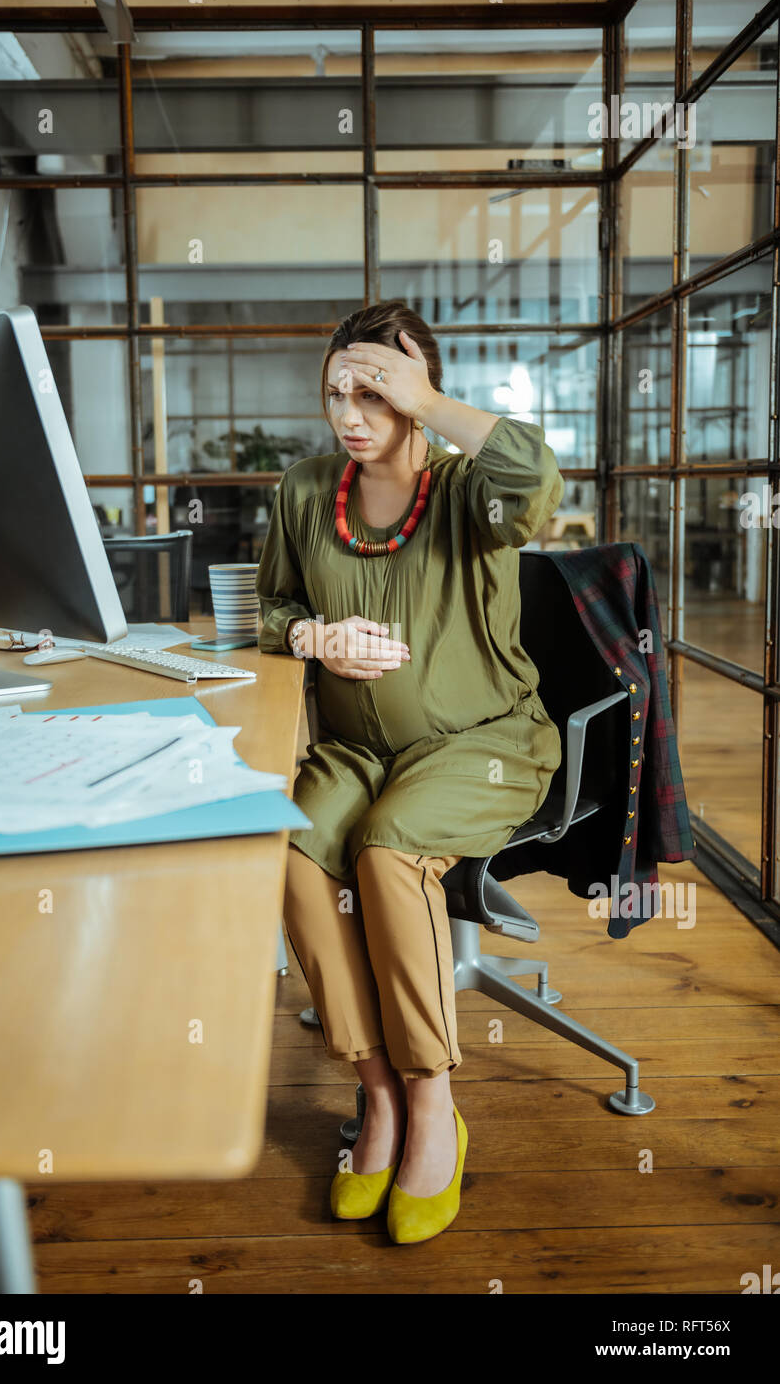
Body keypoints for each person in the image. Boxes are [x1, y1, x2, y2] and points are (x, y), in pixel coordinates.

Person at [255, 300, 564, 1244]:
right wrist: (310, 633)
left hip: (484, 743)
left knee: (388, 850)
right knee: (290, 849)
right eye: (340, 390)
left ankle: (434, 1101)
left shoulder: (473, 490)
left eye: (377, 391)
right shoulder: (306, 492)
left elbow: (537, 478)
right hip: (355, 750)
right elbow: (263, 613)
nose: (353, 411)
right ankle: (376, 1089)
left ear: (419, 399)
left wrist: (425, 398)